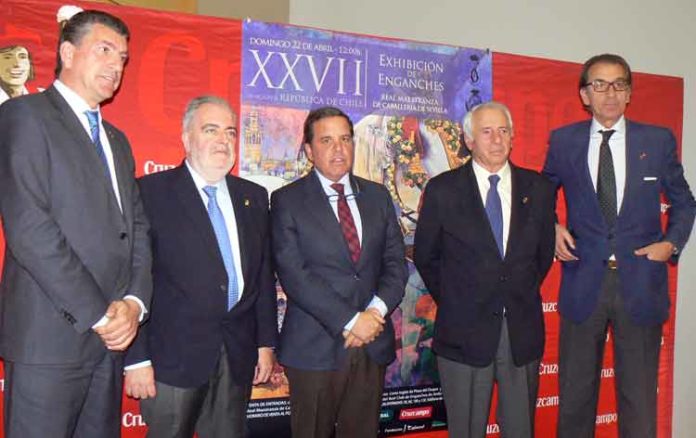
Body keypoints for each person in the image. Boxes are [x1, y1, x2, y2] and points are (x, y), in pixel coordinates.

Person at [0, 10, 152, 438]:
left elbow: (136, 230)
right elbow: (30, 229)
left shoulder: (117, 141)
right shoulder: (24, 117)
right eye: (104, 50)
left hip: (108, 346)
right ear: (67, 52)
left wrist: (135, 304)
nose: (116, 66)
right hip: (48, 342)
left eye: (122, 57)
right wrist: (100, 315)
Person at [543, 53, 696, 438]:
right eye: (600, 85)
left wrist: (671, 243)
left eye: (619, 85)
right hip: (583, 284)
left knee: (639, 401)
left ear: (629, 93)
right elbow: (540, 196)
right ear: (584, 94)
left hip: (641, 284)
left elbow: (683, 201)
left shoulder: (656, 140)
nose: (610, 93)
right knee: (575, 400)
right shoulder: (564, 141)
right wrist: (552, 225)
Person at [123, 96, 277, 437]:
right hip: (170, 360)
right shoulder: (150, 193)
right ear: (186, 137)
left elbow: (262, 277)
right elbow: (133, 278)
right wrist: (136, 358)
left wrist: (265, 344)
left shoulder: (252, 196)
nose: (223, 140)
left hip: (237, 357)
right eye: (211, 130)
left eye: (230, 132)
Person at [414, 101, 555, 438]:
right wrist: (459, 299)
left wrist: (512, 292)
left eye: (503, 131)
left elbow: (543, 256)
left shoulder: (538, 189)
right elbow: (426, 256)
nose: (496, 139)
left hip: (520, 331)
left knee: (520, 429)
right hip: (463, 331)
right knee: (465, 430)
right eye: (486, 132)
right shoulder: (442, 190)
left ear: (513, 137)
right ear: (468, 140)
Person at [271, 106, 407, 437]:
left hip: (371, 344)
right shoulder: (287, 200)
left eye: (345, 139)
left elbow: (395, 264)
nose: (338, 149)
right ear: (308, 149)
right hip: (314, 348)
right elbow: (294, 275)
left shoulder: (377, 196)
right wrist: (351, 320)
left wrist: (373, 314)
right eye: (327, 140)